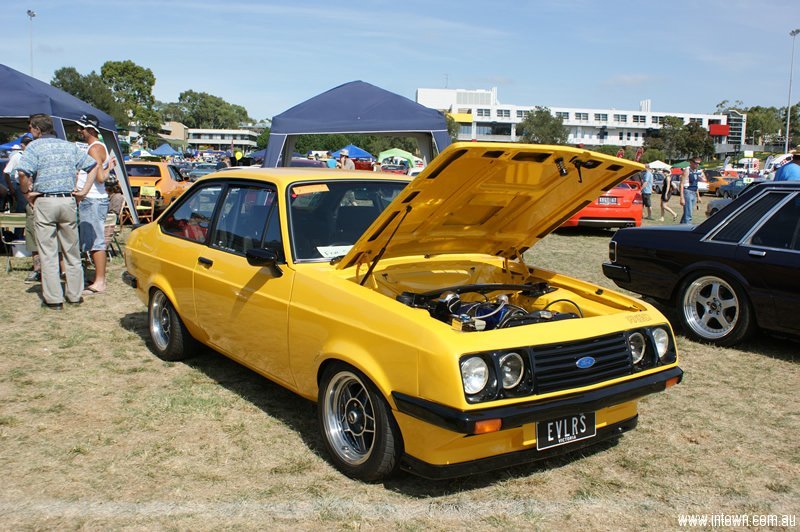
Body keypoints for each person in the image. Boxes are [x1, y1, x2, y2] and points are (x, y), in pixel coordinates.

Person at [16, 114, 97, 310]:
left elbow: (22, 173)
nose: (30, 131)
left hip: (45, 201)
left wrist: (26, 193)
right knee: (72, 251)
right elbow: (93, 166)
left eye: (31, 128)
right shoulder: (68, 146)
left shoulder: (34, 147)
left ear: (37, 129)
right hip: (68, 201)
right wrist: (83, 191)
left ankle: (54, 299)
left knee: (48, 252)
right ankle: (75, 295)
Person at [73, 114, 113, 295]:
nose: (78, 131)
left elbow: (100, 177)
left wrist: (108, 168)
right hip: (93, 199)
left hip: (93, 200)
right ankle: (97, 278)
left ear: (90, 130)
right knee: (91, 241)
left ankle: (100, 282)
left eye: (81, 128)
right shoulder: (96, 147)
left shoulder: (95, 148)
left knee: (96, 242)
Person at [3, 136, 41, 282]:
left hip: (32, 190)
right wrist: (12, 188)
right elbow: (8, 172)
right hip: (21, 188)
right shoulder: (17, 156)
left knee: (30, 217)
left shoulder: (34, 155)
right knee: (21, 213)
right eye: (27, 144)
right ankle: (17, 239)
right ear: (23, 146)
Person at [679, 157, 704, 224]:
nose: (697, 165)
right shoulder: (687, 170)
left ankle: (680, 227)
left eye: (699, 163)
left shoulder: (696, 171)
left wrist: (698, 196)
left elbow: (695, 185)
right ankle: (687, 227)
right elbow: (681, 184)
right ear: (691, 162)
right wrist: (682, 197)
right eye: (696, 163)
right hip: (688, 192)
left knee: (687, 213)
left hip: (693, 192)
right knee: (688, 214)